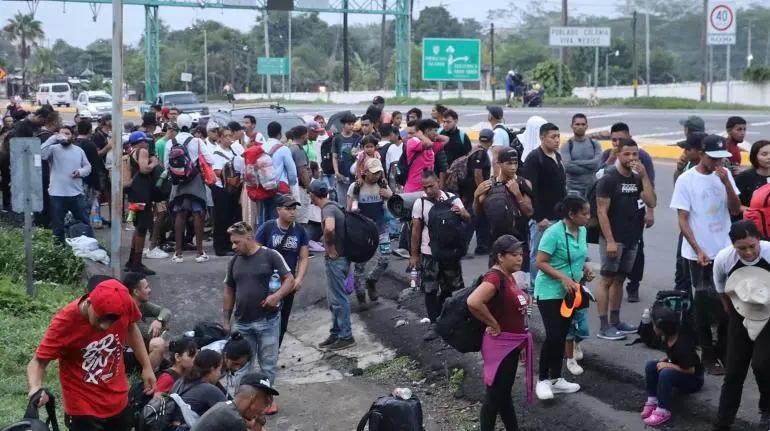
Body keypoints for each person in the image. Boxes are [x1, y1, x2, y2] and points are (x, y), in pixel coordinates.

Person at [27, 277, 155, 431]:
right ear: (89, 303)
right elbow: (38, 363)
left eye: (111, 321)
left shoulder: (125, 302)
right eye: (101, 319)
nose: (105, 326)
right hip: (83, 407)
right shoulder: (64, 322)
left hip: (118, 398)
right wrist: (35, 387)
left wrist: (146, 366)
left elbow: (131, 328)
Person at [670, 134, 741, 375]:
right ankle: (708, 354)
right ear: (701, 154)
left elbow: (734, 209)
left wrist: (727, 184)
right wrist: (698, 249)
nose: (718, 163)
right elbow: (682, 219)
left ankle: (723, 350)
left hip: (726, 250)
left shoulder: (725, 175)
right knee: (703, 304)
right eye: (713, 158)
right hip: (699, 253)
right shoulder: (686, 180)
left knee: (728, 302)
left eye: (722, 158)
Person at [223, 221, 294, 415]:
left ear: (249, 238)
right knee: (241, 366)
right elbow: (229, 291)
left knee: (268, 364)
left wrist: (276, 296)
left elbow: (290, 280)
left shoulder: (270, 255)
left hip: (268, 321)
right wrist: (226, 320)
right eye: (232, 242)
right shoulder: (234, 261)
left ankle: (265, 402)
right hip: (242, 323)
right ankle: (241, 403)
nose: (233, 246)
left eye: (237, 242)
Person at [467, 235, 532, 431]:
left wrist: (520, 345)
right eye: (514, 255)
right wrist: (493, 323)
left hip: (511, 344)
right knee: (495, 396)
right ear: (500, 257)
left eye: (520, 254)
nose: (519, 258)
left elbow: (516, 313)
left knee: (503, 395)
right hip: (500, 346)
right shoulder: (494, 277)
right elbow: (473, 301)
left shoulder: (508, 275)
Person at [595, 139, 657, 340]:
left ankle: (616, 321)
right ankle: (604, 326)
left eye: (635, 155)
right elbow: (601, 212)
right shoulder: (609, 179)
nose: (631, 158)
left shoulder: (637, 179)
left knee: (620, 280)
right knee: (607, 280)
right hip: (614, 239)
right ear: (619, 154)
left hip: (632, 238)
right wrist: (610, 240)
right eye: (627, 154)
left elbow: (651, 201)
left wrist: (645, 175)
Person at [713, 220, 770, 430]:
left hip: (769, 313)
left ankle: (767, 409)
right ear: (733, 246)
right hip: (741, 311)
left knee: (762, 364)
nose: (748, 253)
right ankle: (722, 424)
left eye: (752, 246)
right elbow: (721, 289)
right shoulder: (723, 259)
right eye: (741, 248)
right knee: (734, 372)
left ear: (759, 240)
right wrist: (734, 313)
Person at [534, 195, 592, 400]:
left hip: (570, 293)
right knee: (553, 335)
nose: (588, 217)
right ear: (571, 214)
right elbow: (540, 262)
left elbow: (579, 256)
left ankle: (557, 379)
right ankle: (542, 380)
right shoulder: (553, 233)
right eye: (584, 214)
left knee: (562, 334)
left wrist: (584, 269)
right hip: (549, 292)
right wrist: (562, 277)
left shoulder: (582, 231)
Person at [410, 170, 471, 341]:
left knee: (452, 288)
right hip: (429, 254)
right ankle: (434, 323)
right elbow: (415, 231)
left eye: (431, 186)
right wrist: (414, 256)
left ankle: (448, 321)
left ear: (438, 181)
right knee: (430, 289)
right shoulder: (420, 203)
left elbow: (467, 218)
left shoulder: (453, 198)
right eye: (425, 187)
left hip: (450, 253)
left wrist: (461, 212)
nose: (428, 190)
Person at [255, 194, 310, 346]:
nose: (292, 212)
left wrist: (299, 279)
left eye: (294, 209)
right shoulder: (267, 228)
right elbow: (256, 252)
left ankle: (274, 353)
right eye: (288, 209)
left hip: (288, 283)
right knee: (263, 318)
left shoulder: (300, 230)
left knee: (283, 321)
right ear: (278, 210)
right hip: (267, 282)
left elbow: (304, 257)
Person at [310, 179, 357, 351]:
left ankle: (346, 335)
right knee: (334, 298)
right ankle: (336, 332)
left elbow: (329, 228)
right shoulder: (335, 206)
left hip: (336, 260)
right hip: (343, 258)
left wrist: (329, 247)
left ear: (313, 195)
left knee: (339, 298)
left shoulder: (327, 209)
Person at [641, 302, 705, 427]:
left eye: (653, 324)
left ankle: (663, 410)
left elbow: (691, 370)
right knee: (651, 365)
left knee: (665, 373)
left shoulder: (683, 345)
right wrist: (666, 360)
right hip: (680, 368)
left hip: (694, 380)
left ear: (660, 328)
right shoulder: (668, 337)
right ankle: (653, 400)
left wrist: (669, 366)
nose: (653, 327)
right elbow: (672, 354)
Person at [163, 114, 216, 263]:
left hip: (177, 182)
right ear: (191, 126)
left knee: (180, 214)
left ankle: (178, 253)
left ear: (177, 126)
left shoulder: (170, 142)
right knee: (198, 213)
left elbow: (166, 164)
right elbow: (210, 160)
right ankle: (200, 252)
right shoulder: (197, 141)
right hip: (195, 180)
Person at [521, 122, 566, 289]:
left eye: (558, 136)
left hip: (559, 217)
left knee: (555, 254)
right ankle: (535, 287)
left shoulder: (557, 156)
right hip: (543, 219)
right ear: (542, 138)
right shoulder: (534, 158)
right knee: (538, 254)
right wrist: (539, 217)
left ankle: (552, 284)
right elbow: (529, 191)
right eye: (553, 137)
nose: (557, 140)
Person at [473, 147, 534, 266]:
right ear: (499, 164)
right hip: (496, 245)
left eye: (515, 163)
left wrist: (517, 194)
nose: (513, 167)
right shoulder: (489, 186)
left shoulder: (523, 183)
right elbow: (478, 213)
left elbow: (529, 212)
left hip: (519, 244)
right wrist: (476, 196)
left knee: (521, 283)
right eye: (509, 163)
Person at [347, 158, 392, 309]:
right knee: (360, 265)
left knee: (385, 258)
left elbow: (393, 206)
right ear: (364, 172)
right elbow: (348, 211)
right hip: (363, 233)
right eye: (373, 173)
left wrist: (388, 196)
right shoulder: (356, 187)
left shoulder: (383, 185)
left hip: (381, 228)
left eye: (379, 172)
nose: (376, 176)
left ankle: (372, 280)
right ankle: (360, 296)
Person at [40, 126, 92, 243]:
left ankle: (86, 244)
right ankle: (59, 248)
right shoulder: (53, 149)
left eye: (67, 134)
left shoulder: (78, 150)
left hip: (76, 193)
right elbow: (41, 153)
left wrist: (80, 172)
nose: (64, 136)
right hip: (57, 193)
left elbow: (88, 167)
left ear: (72, 136)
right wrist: (53, 138)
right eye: (62, 134)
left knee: (84, 221)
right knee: (58, 224)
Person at [191, 371, 278, 431]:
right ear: (253, 399)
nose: (263, 409)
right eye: (264, 403)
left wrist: (259, 420)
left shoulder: (225, 407)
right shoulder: (235, 420)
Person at [124, 132, 159, 275]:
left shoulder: (132, 152)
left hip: (134, 194)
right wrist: (155, 162)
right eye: (145, 141)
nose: (147, 143)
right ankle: (137, 263)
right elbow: (145, 169)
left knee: (138, 226)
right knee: (142, 228)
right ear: (141, 142)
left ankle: (132, 261)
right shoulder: (143, 151)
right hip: (142, 195)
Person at [122, 271, 171, 371]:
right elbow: (148, 336)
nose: (150, 290)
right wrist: (163, 328)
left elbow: (166, 311)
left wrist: (159, 320)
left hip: (137, 349)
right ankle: (147, 376)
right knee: (158, 344)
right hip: (125, 355)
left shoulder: (141, 303)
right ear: (136, 292)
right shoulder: (127, 309)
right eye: (146, 287)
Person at [210, 126, 244, 256]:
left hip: (234, 190)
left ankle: (231, 245)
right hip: (222, 190)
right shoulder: (217, 153)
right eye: (226, 136)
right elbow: (217, 172)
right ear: (220, 138)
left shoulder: (233, 151)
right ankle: (221, 247)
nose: (229, 138)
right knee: (221, 219)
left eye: (231, 135)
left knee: (231, 218)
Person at [172, 349, 227, 424]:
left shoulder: (180, 381)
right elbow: (232, 415)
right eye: (219, 370)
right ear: (212, 370)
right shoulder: (209, 390)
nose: (220, 374)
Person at [561, 113, 602, 196]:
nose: (580, 127)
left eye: (583, 124)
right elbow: (567, 167)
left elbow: (597, 165)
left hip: (593, 188)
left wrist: (576, 162)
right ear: (572, 126)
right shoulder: (567, 146)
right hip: (573, 189)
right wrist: (590, 168)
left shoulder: (595, 144)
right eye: (577, 124)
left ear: (587, 126)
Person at [403, 119, 442, 193]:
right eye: (435, 131)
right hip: (414, 190)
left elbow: (445, 140)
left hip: (427, 190)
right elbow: (428, 144)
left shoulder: (430, 144)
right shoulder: (413, 141)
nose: (437, 134)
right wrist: (420, 135)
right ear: (427, 130)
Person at [332, 113, 361, 204]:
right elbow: (335, 157)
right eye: (349, 124)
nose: (351, 126)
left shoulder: (357, 138)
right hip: (342, 176)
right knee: (342, 202)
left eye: (353, 124)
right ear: (343, 125)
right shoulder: (337, 139)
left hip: (354, 176)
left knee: (355, 202)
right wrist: (336, 172)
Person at [735, 140, 770, 214]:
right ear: (755, 157)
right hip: (751, 221)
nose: (769, 157)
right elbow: (735, 205)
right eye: (764, 154)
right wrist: (755, 212)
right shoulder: (743, 177)